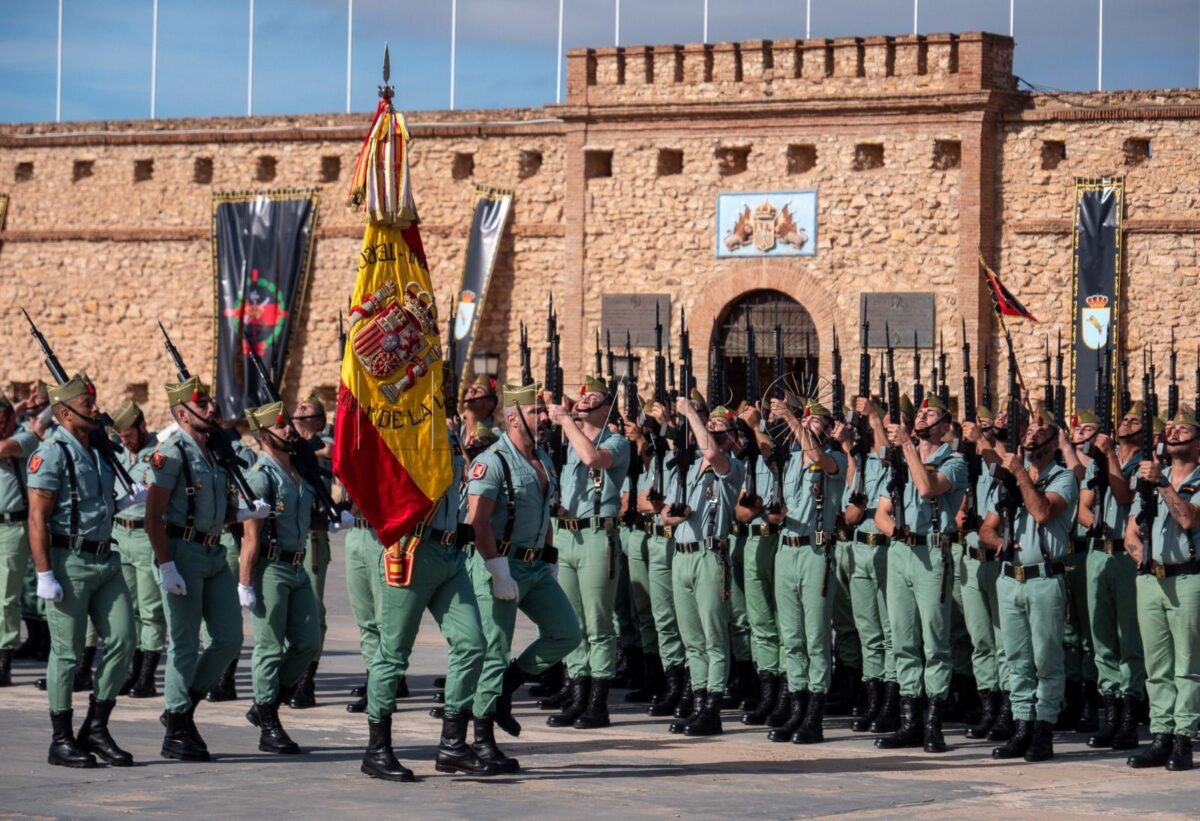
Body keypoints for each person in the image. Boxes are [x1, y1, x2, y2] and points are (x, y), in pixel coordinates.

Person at [144, 375, 270, 762]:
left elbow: (215, 507)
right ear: (183, 413)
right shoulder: (172, 452)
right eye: (202, 404)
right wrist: (166, 565)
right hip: (181, 552)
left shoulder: (215, 450)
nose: (212, 408)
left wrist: (244, 513)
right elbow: (153, 516)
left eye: (211, 402)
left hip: (214, 552)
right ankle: (177, 729)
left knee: (229, 639)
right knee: (183, 644)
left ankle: (181, 709)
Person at [463, 383, 581, 771]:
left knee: (566, 632)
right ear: (513, 418)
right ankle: (481, 738)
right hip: (501, 561)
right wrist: (496, 568)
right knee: (493, 651)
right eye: (536, 413)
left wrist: (548, 558)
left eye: (544, 413)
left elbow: (546, 512)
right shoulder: (493, 460)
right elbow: (477, 521)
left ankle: (506, 688)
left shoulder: (544, 459)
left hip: (534, 566)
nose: (544, 418)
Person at [26, 373, 139, 767]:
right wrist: (44, 573)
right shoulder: (52, 452)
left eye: (93, 401)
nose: (95, 408)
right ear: (63, 413)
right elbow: (37, 517)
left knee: (125, 639)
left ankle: (96, 725)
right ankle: (61, 739)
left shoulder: (99, 449)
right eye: (86, 404)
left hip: (106, 559)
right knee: (67, 652)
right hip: (68, 561)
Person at [981, 405, 1078, 762]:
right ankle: (1021, 726)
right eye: (1029, 431)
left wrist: (1020, 473)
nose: (1032, 435)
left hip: (1044, 579)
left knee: (1047, 660)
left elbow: (1041, 511)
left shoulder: (1063, 478)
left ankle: (1043, 731)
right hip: (1010, 578)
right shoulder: (1010, 480)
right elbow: (986, 528)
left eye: (1042, 431)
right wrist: (999, 542)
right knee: (1016, 658)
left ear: (1055, 443)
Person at [873, 394, 967, 754]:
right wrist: (893, 530)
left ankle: (933, 724)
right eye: (921, 412)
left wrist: (908, 445)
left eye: (931, 413)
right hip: (901, 551)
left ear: (945, 428)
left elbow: (928, 487)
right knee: (903, 639)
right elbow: (882, 511)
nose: (923, 415)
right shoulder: (899, 461)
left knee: (934, 640)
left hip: (931, 550)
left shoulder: (954, 462)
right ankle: (909, 720)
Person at [544, 376, 630, 729]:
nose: (583, 400)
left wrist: (566, 420)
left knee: (598, 622)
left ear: (606, 407)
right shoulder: (568, 442)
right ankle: (576, 691)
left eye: (593, 397)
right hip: (568, 534)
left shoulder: (618, 442)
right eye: (582, 396)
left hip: (598, 535)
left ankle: (598, 700)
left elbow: (593, 458)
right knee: (572, 620)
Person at [659, 397, 745, 736]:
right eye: (709, 428)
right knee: (691, 637)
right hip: (681, 554)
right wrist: (671, 515)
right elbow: (664, 512)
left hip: (710, 555)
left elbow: (712, 454)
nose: (711, 432)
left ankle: (712, 706)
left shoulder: (731, 467)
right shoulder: (687, 464)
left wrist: (692, 414)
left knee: (713, 636)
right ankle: (697, 702)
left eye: (718, 429)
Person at [764, 396, 847, 744]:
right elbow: (773, 510)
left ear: (827, 429)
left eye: (816, 422)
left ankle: (814, 713)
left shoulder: (834, 458)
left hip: (815, 550)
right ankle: (796, 706)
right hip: (787, 548)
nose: (808, 425)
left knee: (815, 636)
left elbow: (818, 457)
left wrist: (793, 419)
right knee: (791, 636)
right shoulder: (789, 461)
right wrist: (774, 514)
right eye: (806, 421)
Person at [1125, 407, 1200, 772]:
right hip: (1151, 579)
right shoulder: (1152, 476)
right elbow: (1131, 532)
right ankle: (1161, 734)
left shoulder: (1191, 480)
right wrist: (1142, 558)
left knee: (1187, 664)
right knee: (1157, 666)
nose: (1174, 434)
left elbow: (1187, 518)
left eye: (1184, 430)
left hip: (1189, 578)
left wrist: (1164, 484)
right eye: (1171, 429)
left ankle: (1184, 737)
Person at [1075, 406, 1145, 749]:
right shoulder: (1100, 461)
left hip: (1126, 555)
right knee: (1101, 637)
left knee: (1128, 638)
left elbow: (1124, 496)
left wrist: (1108, 457)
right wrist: (1093, 523)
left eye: (1134, 422)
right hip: (1098, 551)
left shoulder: (1141, 464)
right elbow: (1083, 505)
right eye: (1124, 420)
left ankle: (1130, 716)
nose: (1125, 424)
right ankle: (1111, 712)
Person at [843, 396, 899, 734]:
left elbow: (885, 447)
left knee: (890, 631)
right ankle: (873, 697)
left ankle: (892, 699)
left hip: (886, 549)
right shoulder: (864, 464)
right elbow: (849, 515)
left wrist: (875, 417)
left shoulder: (896, 461)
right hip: (859, 549)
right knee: (868, 631)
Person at [957, 405, 1012, 741]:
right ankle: (988, 705)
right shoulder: (973, 466)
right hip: (973, 558)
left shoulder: (1006, 461)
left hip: (998, 560)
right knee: (981, 641)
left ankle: (1007, 708)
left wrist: (983, 441)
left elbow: (1003, 466)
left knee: (1004, 641)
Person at [732, 401, 786, 726]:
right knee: (761, 623)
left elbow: (774, 460)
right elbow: (739, 512)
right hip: (754, 538)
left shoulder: (786, 459)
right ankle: (767, 691)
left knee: (784, 624)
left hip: (779, 543)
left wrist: (756, 427)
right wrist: (749, 511)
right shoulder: (752, 463)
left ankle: (786, 693)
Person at [109, 399, 167, 699]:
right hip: (120, 534)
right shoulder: (119, 452)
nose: (125, 441)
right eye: (121, 437)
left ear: (142, 426)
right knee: (127, 608)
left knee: (150, 609)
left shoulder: (158, 452)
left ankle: (147, 676)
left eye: (129, 434)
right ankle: (131, 672)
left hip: (146, 537)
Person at [286, 392, 333, 709]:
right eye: (298, 405)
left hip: (313, 538)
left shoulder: (324, 448)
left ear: (318, 421)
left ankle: (307, 680)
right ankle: (288, 675)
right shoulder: (287, 447)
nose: (300, 408)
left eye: (308, 409)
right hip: (287, 538)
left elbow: (333, 452)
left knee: (313, 610)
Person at [0, 389, 47, 686]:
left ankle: (3, 660)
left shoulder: (26, 437)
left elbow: (4, 449)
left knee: (5, 597)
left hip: (12, 527)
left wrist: (18, 410)